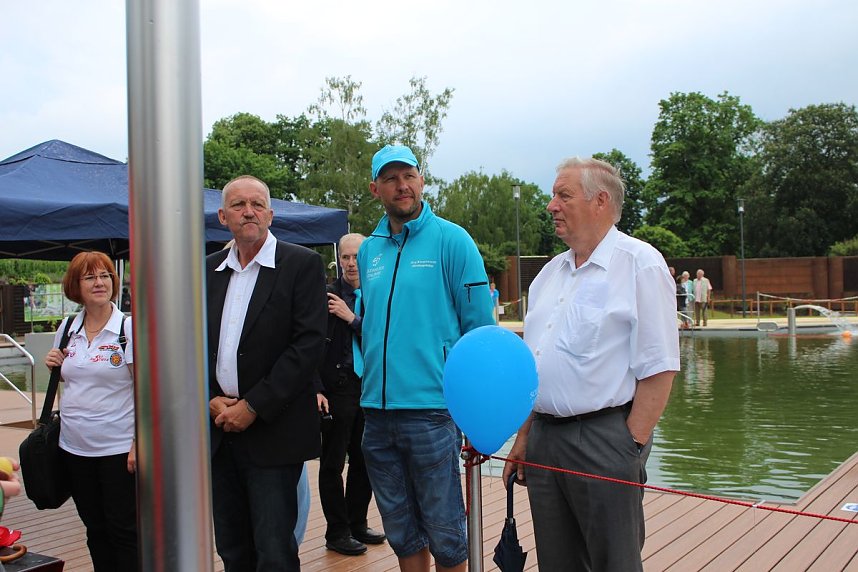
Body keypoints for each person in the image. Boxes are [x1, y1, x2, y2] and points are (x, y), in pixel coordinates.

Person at [502, 157, 680, 572]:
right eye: (553, 196)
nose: (551, 206)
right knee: (557, 563)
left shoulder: (640, 263)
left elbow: (660, 367)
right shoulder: (550, 274)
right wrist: (524, 437)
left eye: (563, 195)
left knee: (614, 563)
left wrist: (629, 445)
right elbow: (536, 365)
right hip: (544, 440)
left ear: (600, 201)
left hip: (605, 439)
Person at [356, 145, 495, 572]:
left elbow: (480, 333)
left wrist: (478, 417)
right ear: (375, 188)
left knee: (446, 535)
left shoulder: (453, 240)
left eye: (409, 176)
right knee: (401, 533)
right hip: (376, 414)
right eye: (391, 178)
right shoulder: (368, 251)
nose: (402, 186)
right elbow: (370, 324)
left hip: (432, 411)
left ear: (421, 180)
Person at [206, 175, 327, 571]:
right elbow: (193, 342)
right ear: (223, 216)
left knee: (274, 552)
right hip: (219, 430)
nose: (249, 212)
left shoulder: (301, 264)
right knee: (232, 549)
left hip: (274, 433)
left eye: (257, 204)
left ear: (271, 215)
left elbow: (308, 346)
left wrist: (254, 405)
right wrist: (210, 398)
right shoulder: (207, 270)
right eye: (239, 205)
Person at [44, 251, 137, 571]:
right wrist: (54, 365)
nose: (99, 283)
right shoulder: (68, 327)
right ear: (75, 286)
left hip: (117, 449)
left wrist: (139, 443)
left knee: (124, 532)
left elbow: (145, 389)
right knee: (95, 530)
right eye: (90, 277)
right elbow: (70, 380)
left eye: (105, 276)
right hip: (74, 448)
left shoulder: (127, 328)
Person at [315, 232, 386, 556]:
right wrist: (316, 387)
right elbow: (307, 343)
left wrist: (352, 318)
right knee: (332, 464)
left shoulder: (376, 295)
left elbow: (383, 338)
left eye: (357, 256)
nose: (351, 263)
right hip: (338, 388)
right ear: (338, 260)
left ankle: (357, 522)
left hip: (369, 387)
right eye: (345, 257)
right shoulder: (326, 296)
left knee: (365, 459)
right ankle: (337, 531)